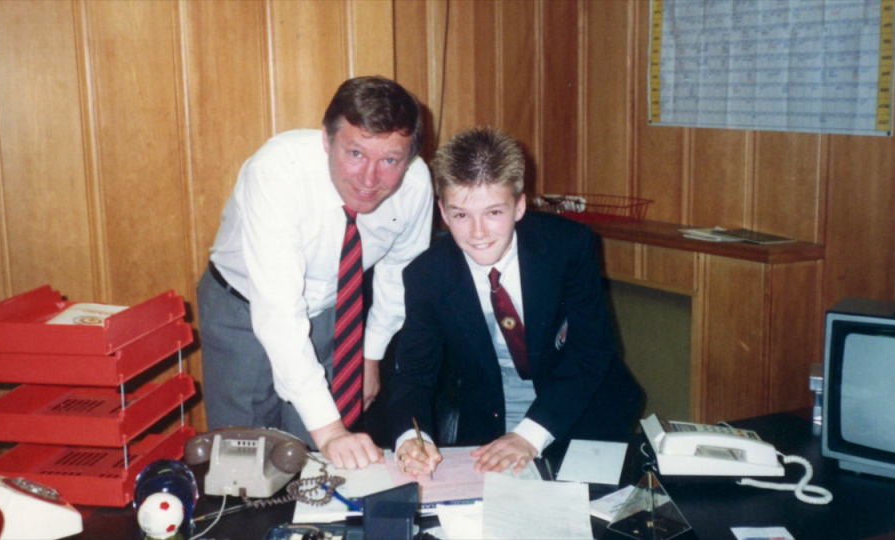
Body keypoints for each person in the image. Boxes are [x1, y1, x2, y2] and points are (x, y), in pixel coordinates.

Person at [197, 76, 433, 470]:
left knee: (315, 464)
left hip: (333, 312)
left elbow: (399, 276)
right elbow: (278, 314)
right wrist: (332, 432)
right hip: (242, 307)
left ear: (409, 158)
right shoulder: (277, 171)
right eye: (355, 153)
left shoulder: (416, 184)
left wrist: (370, 355)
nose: (369, 179)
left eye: (390, 160)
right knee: (244, 461)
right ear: (327, 140)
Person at [388, 126, 641, 477]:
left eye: (494, 213)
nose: (478, 233)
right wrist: (408, 439)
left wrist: (530, 435)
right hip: (489, 405)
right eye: (461, 214)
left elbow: (591, 352)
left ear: (520, 206)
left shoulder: (567, 246)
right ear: (443, 212)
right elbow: (414, 374)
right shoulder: (427, 275)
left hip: (581, 401)